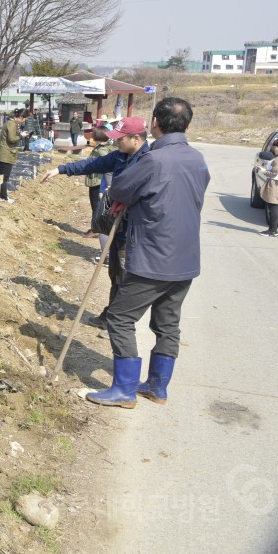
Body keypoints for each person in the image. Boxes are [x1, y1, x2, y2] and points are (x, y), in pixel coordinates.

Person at [86, 98, 210, 409]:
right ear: (189, 125)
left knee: (120, 317)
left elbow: (120, 190)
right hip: (186, 258)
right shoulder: (198, 159)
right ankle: (157, 386)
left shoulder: (153, 160)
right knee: (168, 324)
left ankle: (125, 389)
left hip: (154, 257)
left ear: (154, 123)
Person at [41, 117, 150, 327]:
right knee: (115, 275)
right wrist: (61, 170)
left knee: (126, 279)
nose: (117, 142)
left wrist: (125, 195)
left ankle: (119, 321)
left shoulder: (149, 160)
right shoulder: (120, 156)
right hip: (117, 228)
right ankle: (111, 315)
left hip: (134, 233)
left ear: (136, 139)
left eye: (120, 139)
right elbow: (93, 164)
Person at [0, 109, 29, 203]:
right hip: (6, 153)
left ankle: (2, 196)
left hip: (6, 153)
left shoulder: (11, 123)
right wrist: (21, 136)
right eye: (24, 119)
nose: (24, 121)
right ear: (21, 117)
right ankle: (3, 197)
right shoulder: (11, 124)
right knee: (4, 177)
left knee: (3, 176)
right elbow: (12, 139)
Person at [255, 141, 278, 237]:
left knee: (273, 206)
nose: (273, 148)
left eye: (275, 146)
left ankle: (273, 230)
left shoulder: (277, 160)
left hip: (274, 184)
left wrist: (263, 170)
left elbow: (274, 173)